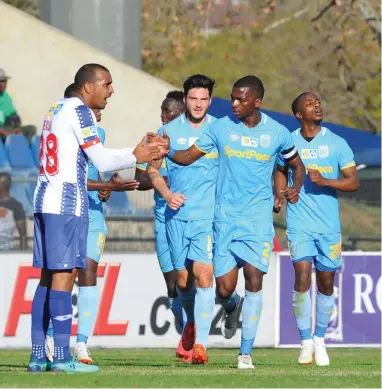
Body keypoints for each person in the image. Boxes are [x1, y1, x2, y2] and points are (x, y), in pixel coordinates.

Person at [149, 75, 306, 369]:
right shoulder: (221, 129)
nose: (233, 103)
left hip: (254, 221)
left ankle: (242, 353)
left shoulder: (278, 133)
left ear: (256, 102)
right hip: (221, 221)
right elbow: (185, 157)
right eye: (232, 97)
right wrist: (165, 151)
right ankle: (230, 306)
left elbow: (293, 165)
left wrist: (289, 190)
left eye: (240, 99)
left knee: (253, 280)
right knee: (218, 288)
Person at [28, 63, 163, 373]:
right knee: (64, 278)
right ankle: (62, 358)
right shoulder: (80, 111)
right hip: (65, 204)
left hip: (43, 200)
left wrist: (134, 152)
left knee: (47, 280)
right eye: (108, 84)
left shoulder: (55, 108)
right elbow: (100, 158)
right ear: (89, 86)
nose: (111, 90)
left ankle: (38, 356)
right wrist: (136, 154)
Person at [44, 83, 141, 365]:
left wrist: (107, 188)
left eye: (99, 111)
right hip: (68, 211)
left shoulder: (98, 136)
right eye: (93, 109)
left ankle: (82, 343)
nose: (97, 114)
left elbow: (98, 171)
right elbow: (74, 178)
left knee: (88, 272)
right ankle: (51, 338)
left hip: (93, 214)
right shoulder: (66, 131)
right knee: (64, 273)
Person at [273, 92, 359, 366]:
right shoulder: (289, 141)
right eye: (310, 104)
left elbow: (353, 182)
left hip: (328, 227)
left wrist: (325, 181)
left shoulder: (336, 143)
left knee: (325, 284)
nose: (317, 105)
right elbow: (278, 170)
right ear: (299, 114)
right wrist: (280, 193)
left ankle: (320, 339)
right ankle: (304, 342)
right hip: (299, 224)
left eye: (318, 102)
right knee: (301, 278)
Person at [147, 75, 218, 365]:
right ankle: (190, 324)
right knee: (183, 282)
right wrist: (167, 193)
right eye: (193, 99)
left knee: (204, 275)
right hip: (176, 217)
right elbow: (152, 171)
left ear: (210, 101)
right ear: (185, 100)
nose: (198, 104)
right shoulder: (167, 131)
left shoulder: (221, 130)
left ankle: (200, 344)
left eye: (203, 99)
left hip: (208, 217)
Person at [134, 91, 188, 360]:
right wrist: (144, 158)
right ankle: (186, 335)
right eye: (162, 112)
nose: (164, 116)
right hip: (162, 220)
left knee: (187, 281)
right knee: (171, 287)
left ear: (182, 114)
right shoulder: (155, 140)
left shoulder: (192, 143)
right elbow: (141, 182)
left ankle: (190, 341)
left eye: (169, 112)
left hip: (189, 221)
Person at [0, 69, 36, 142]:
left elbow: (14, 115)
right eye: (1, 81)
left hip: (13, 127)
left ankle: (20, 147)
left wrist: (18, 129)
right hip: (3, 129)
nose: (3, 83)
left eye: (4, 81)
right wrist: (7, 133)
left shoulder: (6, 96)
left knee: (32, 129)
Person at [0, 172, 27, 250]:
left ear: (4, 185)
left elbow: (23, 234)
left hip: (7, 250)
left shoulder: (16, 206)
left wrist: (23, 256)